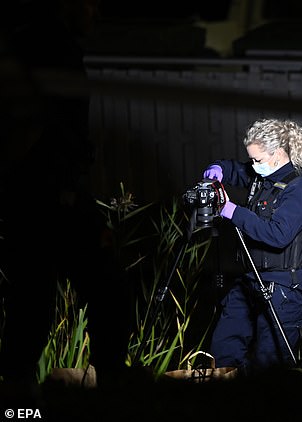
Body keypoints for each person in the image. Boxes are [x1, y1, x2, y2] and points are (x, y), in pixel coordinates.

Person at [0, 0, 130, 390]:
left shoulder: (28, 39)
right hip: (51, 193)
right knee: (105, 286)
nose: (97, 13)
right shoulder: (51, 46)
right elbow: (50, 125)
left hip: (35, 193)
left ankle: (17, 392)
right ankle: (109, 383)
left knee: (32, 296)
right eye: (90, 3)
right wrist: (67, 186)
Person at [201, 118, 302, 375]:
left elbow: (278, 234)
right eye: (251, 159)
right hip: (250, 280)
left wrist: (232, 211)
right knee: (223, 348)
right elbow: (236, 170)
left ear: (278, 154)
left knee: (269, 364)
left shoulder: (300, 187)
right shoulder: (261, 174)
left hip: (283, 287)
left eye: (257, 160)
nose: (253, 166)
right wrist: (217, 169)